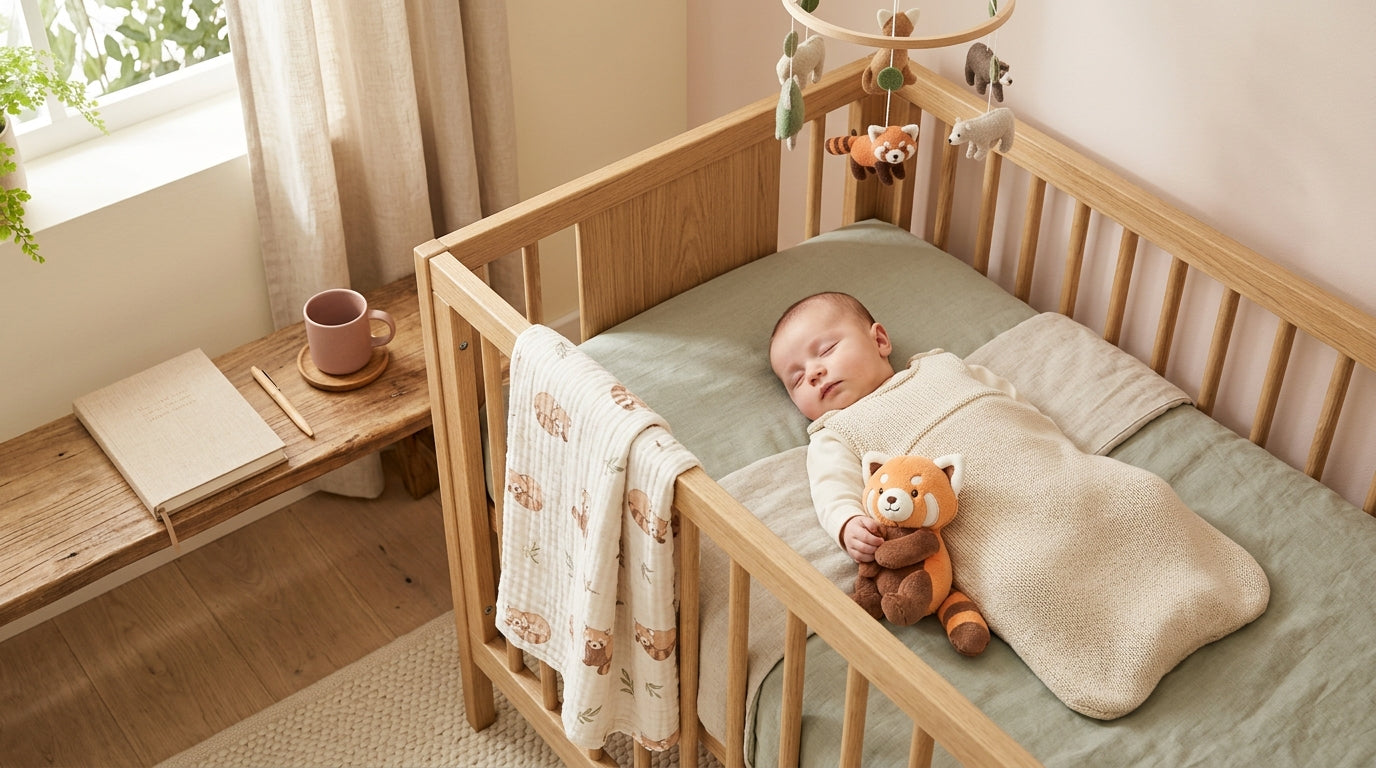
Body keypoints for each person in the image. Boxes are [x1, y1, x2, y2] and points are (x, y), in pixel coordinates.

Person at [768, 291, 1020, 563]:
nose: (814, 373)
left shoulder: (939, 366)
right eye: (797, 379)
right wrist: (847, 524)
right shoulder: (833, 434)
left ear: (879, 340)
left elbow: (1006, 402)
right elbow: (831, 489)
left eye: (826, 350)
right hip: (983, 527)